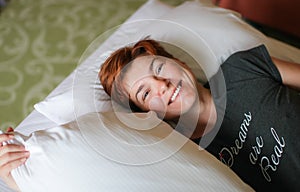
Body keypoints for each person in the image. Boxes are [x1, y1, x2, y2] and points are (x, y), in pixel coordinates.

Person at [99, 38, 300, 191]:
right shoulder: (187, 158)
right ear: (148, 113)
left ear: (178, 62)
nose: (161, 84)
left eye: (159, 68)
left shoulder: (242, 68)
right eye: (145, 93)